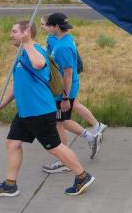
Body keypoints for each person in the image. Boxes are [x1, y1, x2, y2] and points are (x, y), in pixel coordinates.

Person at [0, 21, 95, 198]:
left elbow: (38, 64)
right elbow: (17, 85)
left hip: (39, 111)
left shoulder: (35, 50)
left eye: (14, 31)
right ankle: (10, 185)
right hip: (25, 112)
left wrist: (28, 42)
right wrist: (3, 104)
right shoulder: (21, 54)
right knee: (13, 143)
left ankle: (82, 176)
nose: (10, 35)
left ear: (26, 33)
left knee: (54, 147)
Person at [41, 13, 102, 174]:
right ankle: (90, 137)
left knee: (59, 123)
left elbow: (67, 73)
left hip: (64, 91)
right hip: (64, 89)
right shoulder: (65, 40)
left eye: (49, 25)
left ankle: (64, 161)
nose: (46, 27)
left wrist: (65, 97)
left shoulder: (62, 47)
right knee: (62, 120)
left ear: (55, 27)